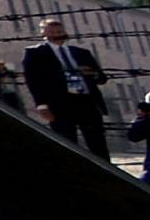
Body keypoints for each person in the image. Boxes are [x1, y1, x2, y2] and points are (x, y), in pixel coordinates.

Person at [21, 18, 112, 158]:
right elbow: (33, 80)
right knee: (67, 143)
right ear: (43, 33)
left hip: (86, 101)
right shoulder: (35, 53)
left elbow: (101, 78)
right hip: (60, 104)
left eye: (59, 31)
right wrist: (41, 104)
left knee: (97, 143)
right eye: (52, 31)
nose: (57, 34)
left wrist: (92, 74)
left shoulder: (81, 53)